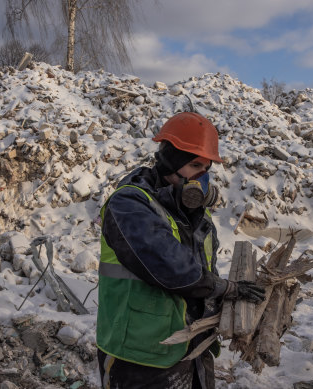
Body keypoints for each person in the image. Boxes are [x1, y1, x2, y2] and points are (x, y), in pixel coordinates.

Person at [96, 112, 266, 389]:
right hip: (139, 355)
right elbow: (173, 269)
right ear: (170, 162)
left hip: (192, 347)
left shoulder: (189, 210)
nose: (202, 176)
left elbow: (202, 267)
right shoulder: (129, 205)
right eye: (195, 164)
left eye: (207, 167)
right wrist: (224, 289)